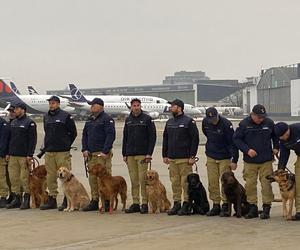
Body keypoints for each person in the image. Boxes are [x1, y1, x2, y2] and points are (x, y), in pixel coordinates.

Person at [233, 104, 279, 219]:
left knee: (266, 184)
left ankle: (266, 208)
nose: (261, 119)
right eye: (259, 117)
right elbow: (236, 139)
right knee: (250, 185)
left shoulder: (269, 123)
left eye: (263, 117)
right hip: (250, 161)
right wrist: (247, 150)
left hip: (266, 160)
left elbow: (276, 136)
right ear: (252, 115)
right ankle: (252, 207)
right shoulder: (244, 124)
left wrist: (276, 147)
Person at [162, 99, 199, 216]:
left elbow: (195, 139)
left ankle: (186, 204)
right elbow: (165, 139)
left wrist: (192, 156)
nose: (170, 108)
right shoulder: (169, 122)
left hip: (184, 158)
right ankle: (177, 203)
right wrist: (165, 155)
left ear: (179, 108)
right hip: (172, 158)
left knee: (185, 183)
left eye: (173, 106)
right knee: (175, 182)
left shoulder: (189, 121)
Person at [40, 96, 77, 210]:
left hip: (62, 151)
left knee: (65, 175)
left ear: (58, 104)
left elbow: (73, 132)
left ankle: (67, 200)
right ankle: (52, 199)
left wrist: (66, 144)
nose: (51, 105)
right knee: (50, 176)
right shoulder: (46, 117)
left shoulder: (65, 116)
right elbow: (47, 133)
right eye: (50, 103)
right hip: (49, 151)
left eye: (54, 103)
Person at [202, 107, 239, 216]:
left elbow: (233, 142)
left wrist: (234, 159)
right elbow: (206, 134)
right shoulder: (205, 122)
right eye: (210, 119)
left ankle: (225, 204)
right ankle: (216, 204)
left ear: (218, 115)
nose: (212, 121)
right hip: (211, 155)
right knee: (212, 181)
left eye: (214, 118)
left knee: (225, 182)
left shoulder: (226, 124)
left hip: (224, 156)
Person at [122, 98, 156, 214]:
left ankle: (144, 203)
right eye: (134, 105)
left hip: (143, 154)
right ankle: (136, 203)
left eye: (138, 105)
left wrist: (149, 153)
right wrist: (124, 153)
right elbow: (125, 137)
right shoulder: (128, 120)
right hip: (130, 154)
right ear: (131, 107)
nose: (136, 107)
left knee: (143, 180)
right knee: (134, 180)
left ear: (140, 106)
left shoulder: (147, 119)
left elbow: (152, 137)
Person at [81, 98, 115, 211]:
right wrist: (84, 149)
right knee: (92, 178)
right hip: (91, 154)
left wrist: (105, 151)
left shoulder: (107, 119)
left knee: (104, 178)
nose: (91, 107)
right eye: (91, 106)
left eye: (93, 105)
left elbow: (110, 136)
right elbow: (85, 135)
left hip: (102, 154)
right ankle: (94, 200)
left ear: (100, 107)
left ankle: (106, 202)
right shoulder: (89, 119)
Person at [6, 102, 37, 209]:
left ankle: (26, 199)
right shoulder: (13, 122)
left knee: (24, 178)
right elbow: (10, 139)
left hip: (24, 155)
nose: (15, 111)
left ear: (23, 110)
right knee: (14, 178)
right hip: (13, 155)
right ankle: (16, 198)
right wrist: (8, 153)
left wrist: (30, 154)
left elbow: (32, 140)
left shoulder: (29, 123)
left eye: (17, 109)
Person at [274, 122, 300, 220]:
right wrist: (281, 169)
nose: (284, 138)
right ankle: (299, 211)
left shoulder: (298, 129)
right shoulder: (282, 140)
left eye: (286, 135)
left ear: (288, 129)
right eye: (281, 137)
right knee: (298, 184)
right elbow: (284, 155)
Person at [0, 115, 10, 207]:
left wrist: (2, 153)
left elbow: (4, 141)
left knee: (1, 177)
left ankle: (3, 197)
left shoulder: (3, 124)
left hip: (0, 155)